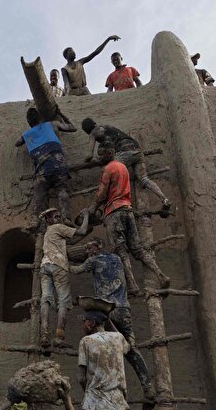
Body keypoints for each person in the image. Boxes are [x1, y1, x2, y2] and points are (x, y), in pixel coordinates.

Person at [69, 238, 154, 406]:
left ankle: (100, 389)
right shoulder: (116, 259)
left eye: (88, 248)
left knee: (99, 345)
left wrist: (61, 260)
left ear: (95, 247)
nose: (87, 252)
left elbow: (75, 270)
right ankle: (148, 387)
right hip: (123, 309)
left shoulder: (94, 260)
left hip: (105, 311)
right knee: (131, 349)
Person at [92, 144, 170, 292]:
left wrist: (94, 207)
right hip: (127, 209)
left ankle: (133, 285)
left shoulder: (108, 169)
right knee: (138, 249)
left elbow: (101, 195)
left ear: (109, 153)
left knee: (120, 250)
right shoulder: (123, 168)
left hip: (114, 212)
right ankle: (160, 274)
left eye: (101, 155)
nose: (100, 158)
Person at [76, 311, 131, 410]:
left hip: (95, 405)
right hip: (119, 405)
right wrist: (108, 321)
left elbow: (80, 376)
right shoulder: (118, 338)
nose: (83, 325)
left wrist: (88, 392)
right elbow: (128, 347)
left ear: (92, 323)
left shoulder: (86, 341)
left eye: (84, 321)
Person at [80, 117, 172, 215]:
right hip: (136, 149)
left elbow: (89, 155)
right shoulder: (107, 127)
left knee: (109, 176)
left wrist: (86, 160)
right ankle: (164, 199)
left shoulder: (93, 133)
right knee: (144, 179)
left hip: (124, 152)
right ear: (94, 123)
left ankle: (96, 207)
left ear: (87, 131)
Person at [16, 107, 77, 225]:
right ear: (40, 118)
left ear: (29, 123)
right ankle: (66, 218)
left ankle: (34, 220)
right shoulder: (52, 124)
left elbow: (17, 143)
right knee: (62, 190)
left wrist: (27, 137)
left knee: (39, 195)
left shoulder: (27, 135)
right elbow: (72, 128)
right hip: (58, 164)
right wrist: (61, 114)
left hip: (41, 169)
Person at [39, 208, 90, 345]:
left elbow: (71, 241)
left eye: (59, 216)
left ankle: (44, 334)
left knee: (46, 298)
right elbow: (82, 231)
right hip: (58, 266)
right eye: (56, 217)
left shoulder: (49, 233)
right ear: (49, 220)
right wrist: (86, 217)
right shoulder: (59, 227)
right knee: (63, 300)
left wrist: (85, 232)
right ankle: (59, 336)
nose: (59, 218)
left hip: (45, 266)